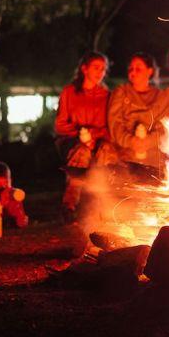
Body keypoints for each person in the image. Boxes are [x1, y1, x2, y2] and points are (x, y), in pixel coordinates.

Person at [54, 51, 117, 221]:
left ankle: (106, 204)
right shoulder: (69, 92)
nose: (100, 72)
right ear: (84, 69)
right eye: (96, 67)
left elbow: (109, 126)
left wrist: (93, 137)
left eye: (103, 69)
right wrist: (81, 135)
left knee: (107, 151)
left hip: (98, 140)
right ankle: (69, 205)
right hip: (72, 140)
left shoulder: (106, 96)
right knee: (81, 153)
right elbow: (60, 124)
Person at [108, 52, 169, 172]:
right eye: (131, 69)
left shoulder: (160, 96)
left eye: (138, 69)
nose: (133, 72)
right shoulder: (121, 92)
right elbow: (115, 123)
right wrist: (130, 141)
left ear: (149, 71)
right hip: (125, 150)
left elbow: (164, 127)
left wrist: (148, 142)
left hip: (153, 153)